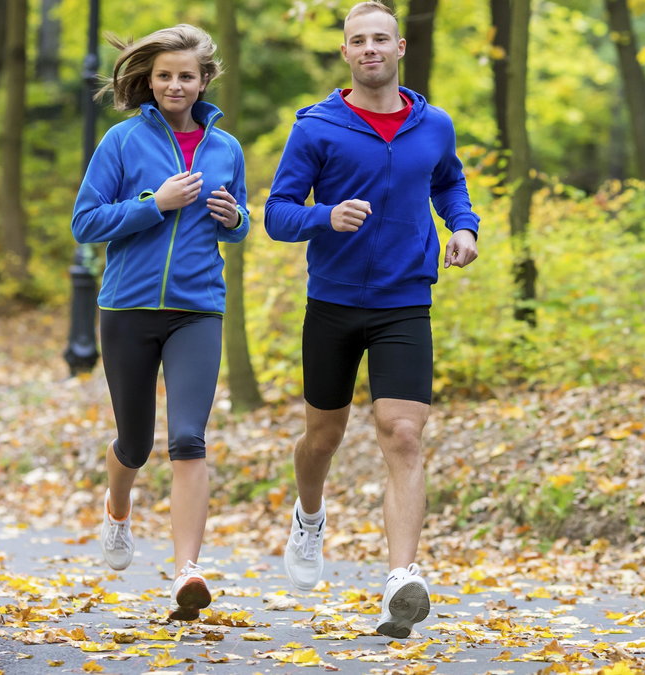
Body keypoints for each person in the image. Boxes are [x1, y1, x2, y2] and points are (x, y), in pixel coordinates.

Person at [264, 1, 479, 639]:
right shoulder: (316, 129)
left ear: (401, 47)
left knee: (403, 433)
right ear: (346, 53)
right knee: (323, 437)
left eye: (380, 38)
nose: (369, 49)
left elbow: (449, 182)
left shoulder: (433, 123)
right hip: (332, 301)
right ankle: (308, 518)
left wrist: (463, 227)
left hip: (405, 298)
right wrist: (323, 217)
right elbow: (277, 213)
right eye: (357, 40)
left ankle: (400, 581)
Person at [71, 24, 250, 622]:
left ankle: (187, 572)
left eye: (187, 76)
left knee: (188, 438)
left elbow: (240, 222)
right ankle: (118, 506)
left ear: (205, 82)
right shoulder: (122, 142)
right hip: (127, 308)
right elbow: (86, 223)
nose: (176, 84)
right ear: (150, 80)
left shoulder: (226, 148)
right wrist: (156, 204)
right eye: (166, 75)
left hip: (198, 307)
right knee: (135, 443)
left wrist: (233, 217)